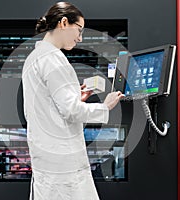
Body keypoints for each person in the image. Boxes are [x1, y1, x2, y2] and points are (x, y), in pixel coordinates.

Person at [22, 2, 124, 200]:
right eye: (79, 30)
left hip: (46, 156)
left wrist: (75, 96)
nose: (80, 38)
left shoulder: (34, 57)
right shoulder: (53, 59)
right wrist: (106, 105)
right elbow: (72, 112)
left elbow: (47, 105)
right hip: (63, 161)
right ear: (63, 22)